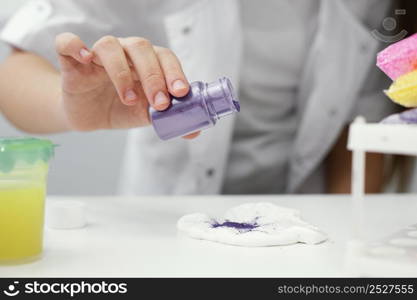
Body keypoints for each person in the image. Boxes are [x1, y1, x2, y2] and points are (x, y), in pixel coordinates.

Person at [0, 0, 398, 195]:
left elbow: (360, 125)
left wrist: (347, 249)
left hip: (303, 226)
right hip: (166, 219)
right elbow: (16, 71)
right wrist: (70, 107)